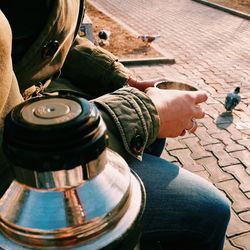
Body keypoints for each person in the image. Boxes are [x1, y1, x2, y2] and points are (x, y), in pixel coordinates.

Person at [0, 1, 230, 249]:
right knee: (208, 211)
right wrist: (146, 111)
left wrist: (123, 81)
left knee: (153, 140)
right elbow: (9, 168)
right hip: (31, 191)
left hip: (47, 109)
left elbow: (54, 40)